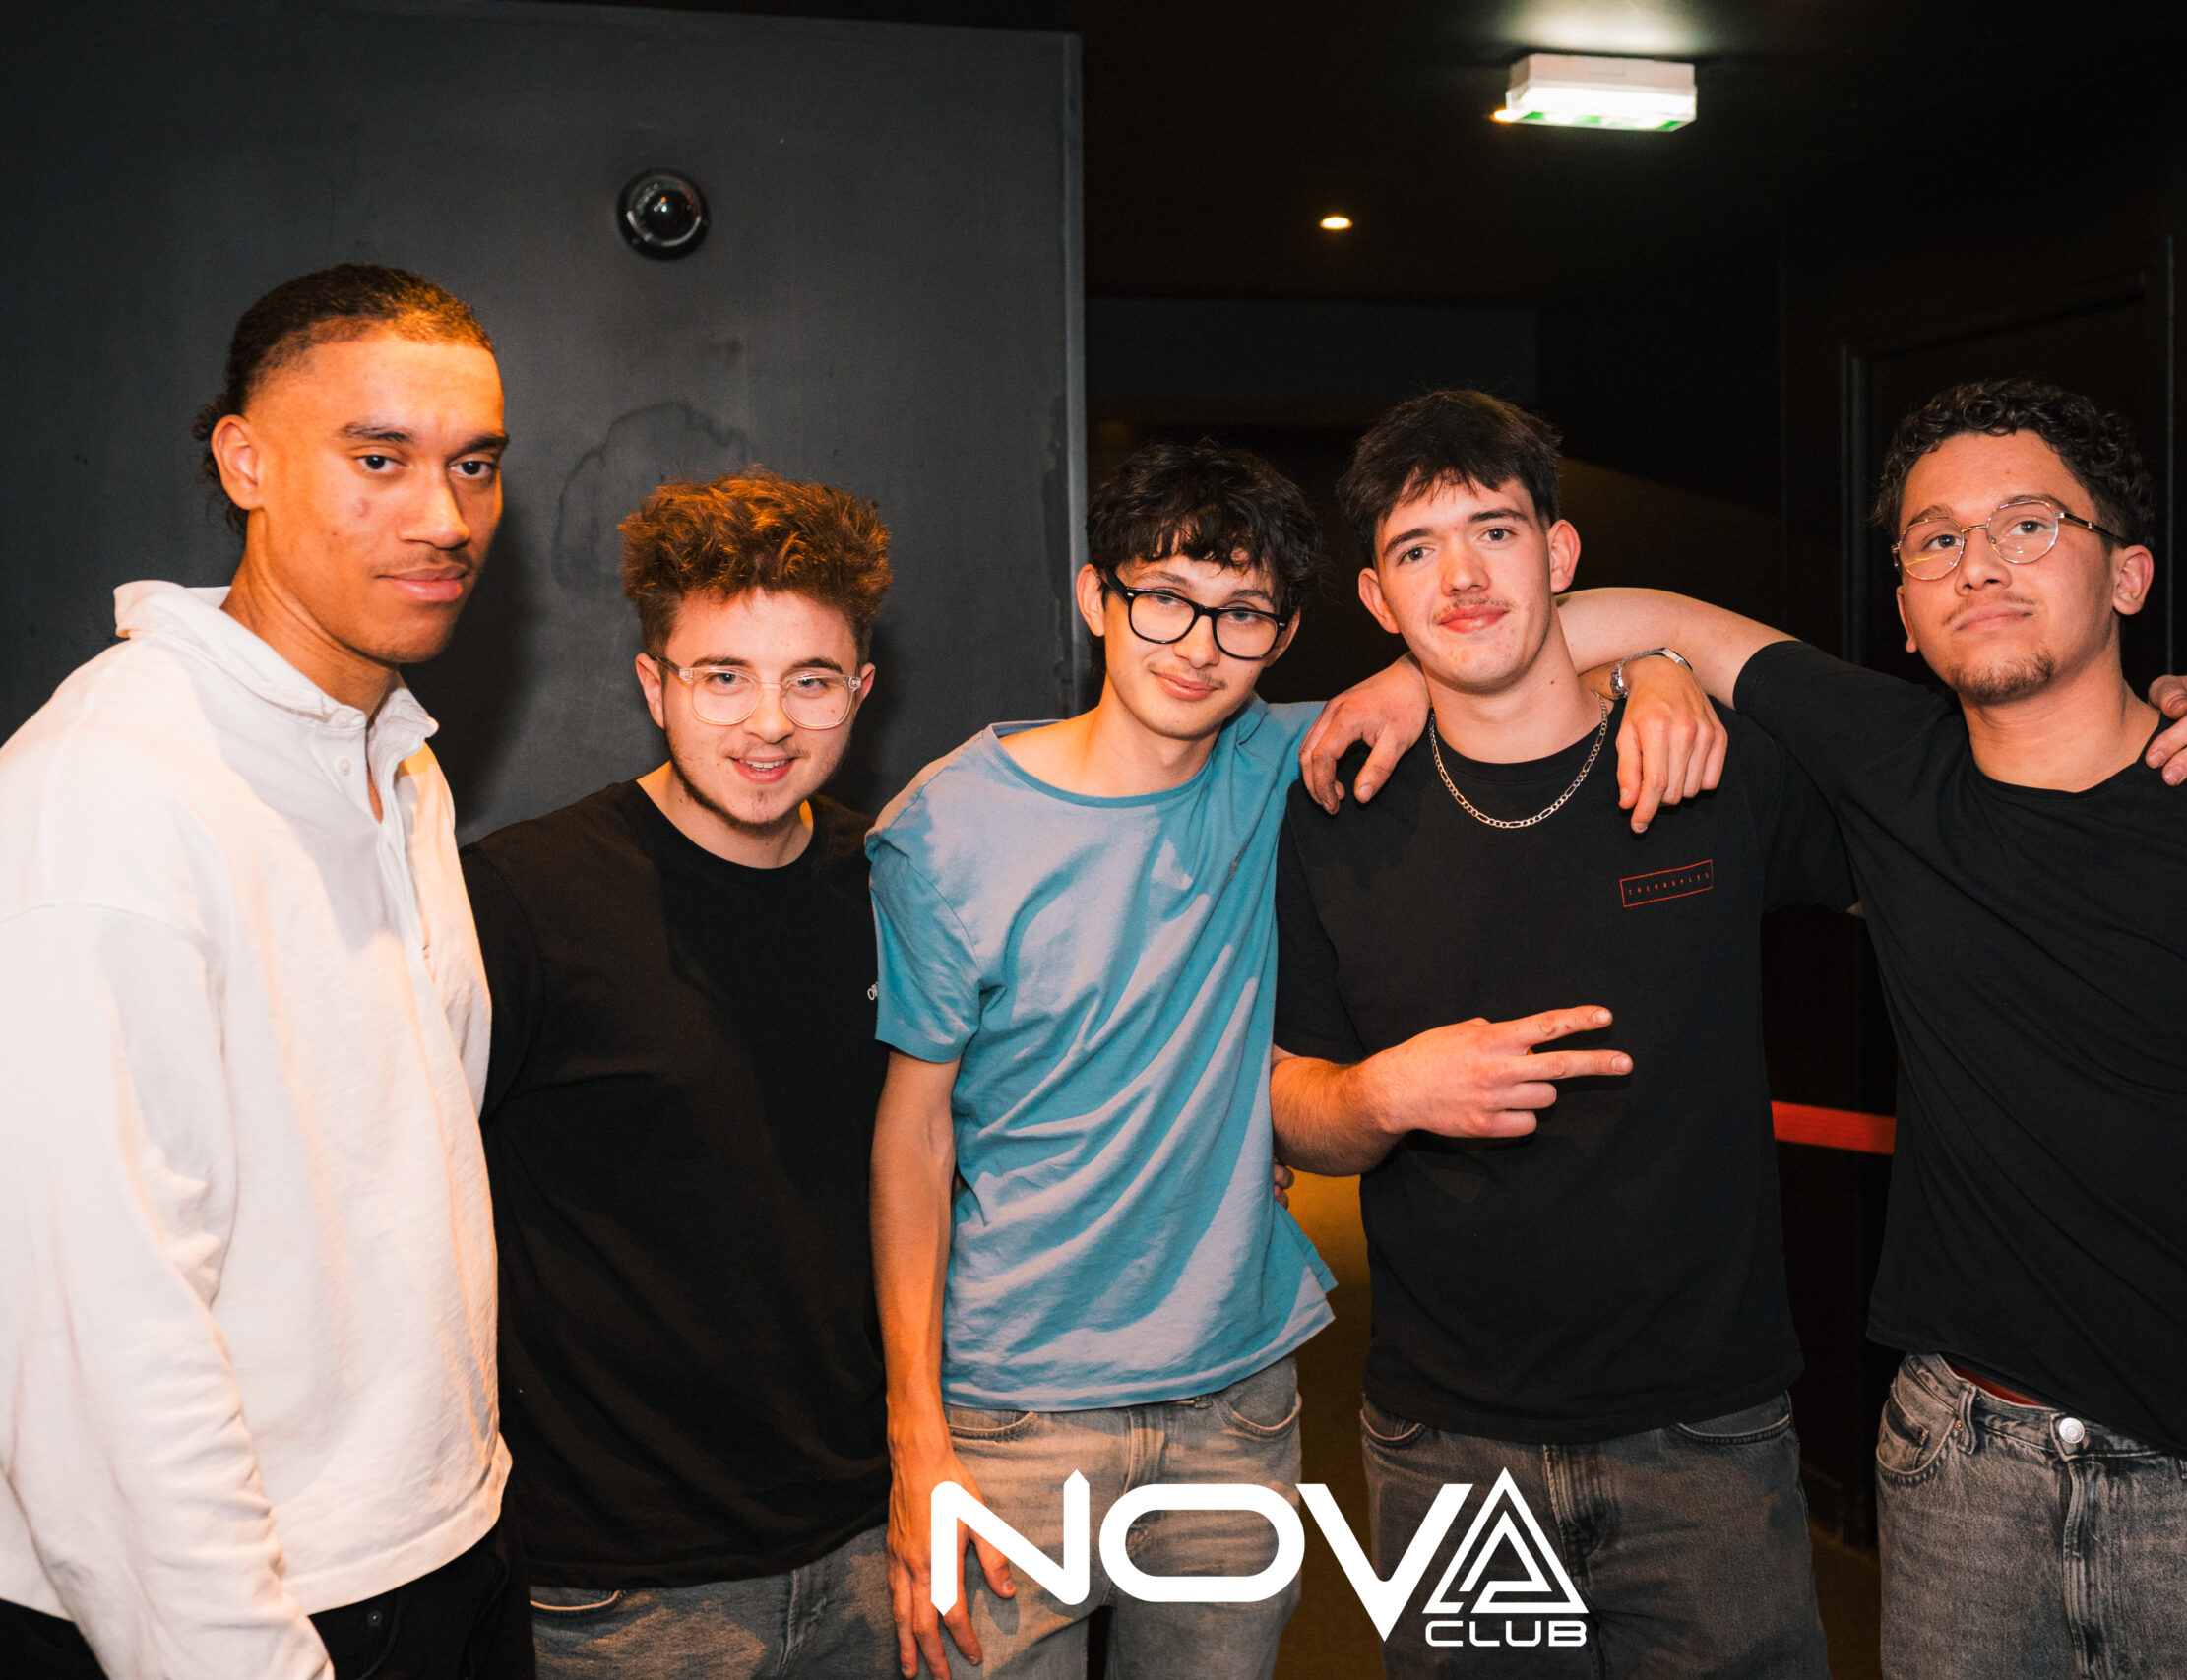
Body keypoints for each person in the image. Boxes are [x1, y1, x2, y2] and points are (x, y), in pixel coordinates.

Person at [1567, 378, 2187, 1680]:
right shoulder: (1891, 769)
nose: (1979, 563)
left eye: (2028, 524)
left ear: (2128, 574)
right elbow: (1609, 619)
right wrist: (1638, 671)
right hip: (1961, 1480)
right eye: (1936, 539)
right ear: (1903, 610)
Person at [868, 440, 1721, 1680]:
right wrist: (915, 1438)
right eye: (1165, 598)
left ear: (1283, 634)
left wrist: (1654, 669)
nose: (1198, 645)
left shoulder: (1290, 762)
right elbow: (911, 1136)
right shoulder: (947, 826)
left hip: (1237, 1399)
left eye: (1243, 614)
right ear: (1095, 596)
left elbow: (1507, 646)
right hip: (1012, 1410)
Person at [1268, 391, 1853, 1678]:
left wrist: (1661, 657)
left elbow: (1902, 761)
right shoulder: (1336, 813)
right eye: (1416, 549)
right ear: (1376, 598)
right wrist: (1384, 1093)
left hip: (1708, 1434)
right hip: (1450, 1446)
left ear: (1562, 553)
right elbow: (1292, 1105)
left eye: (1495, 530)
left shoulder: (1711, 766)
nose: (1462, 577)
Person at [0, 265, 527, 1678]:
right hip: (258, 1610)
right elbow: (95, 1336)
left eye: (474, 465)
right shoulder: (107, 789)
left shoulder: (395, 759)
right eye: (379, 458)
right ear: (246, 461)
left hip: (450, 1542)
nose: (445, 516)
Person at [461, 469, 900, 1676]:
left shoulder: (895, 886)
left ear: (860, 691)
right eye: (723, 677)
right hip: (622, 1588)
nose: (770, 724)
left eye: (811, 680)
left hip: (868, 1544)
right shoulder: (523, 900)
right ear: (654, 685)